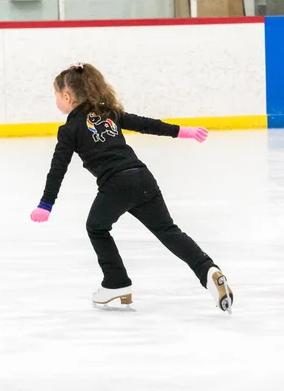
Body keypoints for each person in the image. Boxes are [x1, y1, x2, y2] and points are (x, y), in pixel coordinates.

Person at [30, 62, 233, 314]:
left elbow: (57, 168)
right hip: (142, 178)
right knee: (168, 230)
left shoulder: (69, 129)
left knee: (97, 227)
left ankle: (116, 283)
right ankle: (208, 270)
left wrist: (46, 204)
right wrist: (183, 131)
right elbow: (146, 124)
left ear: (67, 96)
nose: (56, 100)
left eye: (56, 95)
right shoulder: (109, 113)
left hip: (116, 185)